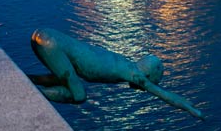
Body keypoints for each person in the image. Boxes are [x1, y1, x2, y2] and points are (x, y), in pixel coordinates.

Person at [29, 28, 204, 120]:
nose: (143, 88)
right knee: (79, 96)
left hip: (46, 35)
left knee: (64, 79)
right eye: (151, 82)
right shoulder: (135, 74)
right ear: (149, 75)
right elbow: (165, 95)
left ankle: (29, 81)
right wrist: (192, 109)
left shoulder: (123, 61)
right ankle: (33, 93)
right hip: (51, 43)